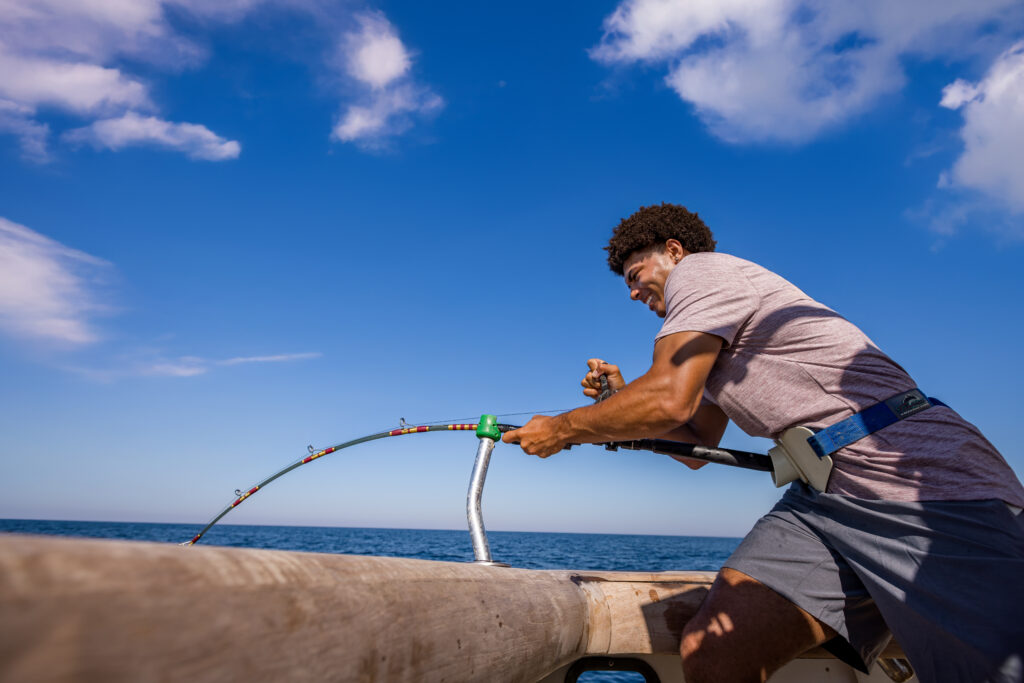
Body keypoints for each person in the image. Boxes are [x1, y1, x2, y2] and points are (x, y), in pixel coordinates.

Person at [502, 203, 1024, 683]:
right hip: (822, 503)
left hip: (922, 479)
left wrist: (565, 426)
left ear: (675, 253)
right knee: (715, 651)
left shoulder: (703, 273)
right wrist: (617, 402)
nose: (633, 293)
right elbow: (693, 439)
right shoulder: (710, 343)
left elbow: (666, 399)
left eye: (636, 276)